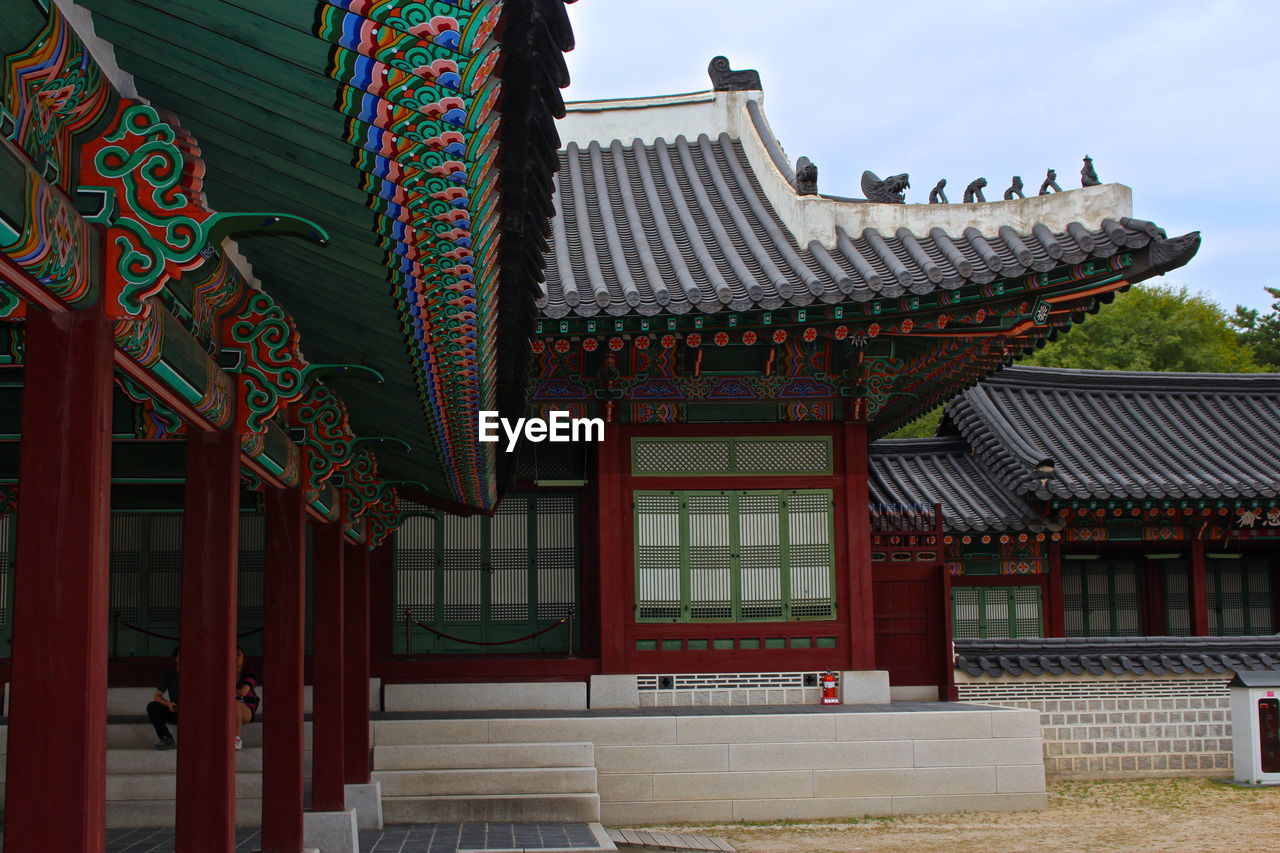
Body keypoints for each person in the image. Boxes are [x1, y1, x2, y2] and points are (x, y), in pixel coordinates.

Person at [148, 647, 180, 750]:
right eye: (180, 656)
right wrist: (168, 704)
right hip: (175, 711)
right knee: (152, 707)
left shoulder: (196, 673)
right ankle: (166, 738)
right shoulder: (170, 674)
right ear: (176, 658)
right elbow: (157, 696)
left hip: (194, 713)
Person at [233, 646, 260, 751]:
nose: (235, 657)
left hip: (247, 708)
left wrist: (227, 692)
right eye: (233, 654)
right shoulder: (225, 673)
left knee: (235, 704)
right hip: (227, 707)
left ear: (244, 658)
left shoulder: (249, 674)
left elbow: (243, 692)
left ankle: (236, 739)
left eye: (238, 654)